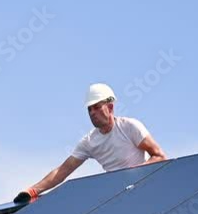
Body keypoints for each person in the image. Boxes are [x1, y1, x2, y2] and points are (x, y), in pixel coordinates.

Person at [14, 83, 167, 203]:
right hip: (116, 195)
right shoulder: (89, 142)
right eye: (89, 109)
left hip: (141, 188)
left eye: (96, 107)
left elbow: (159, 156)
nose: (92, 113)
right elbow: (62, 171)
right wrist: (32, 191)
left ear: (110, 107)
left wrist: (133, 173)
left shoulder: (129, 127)